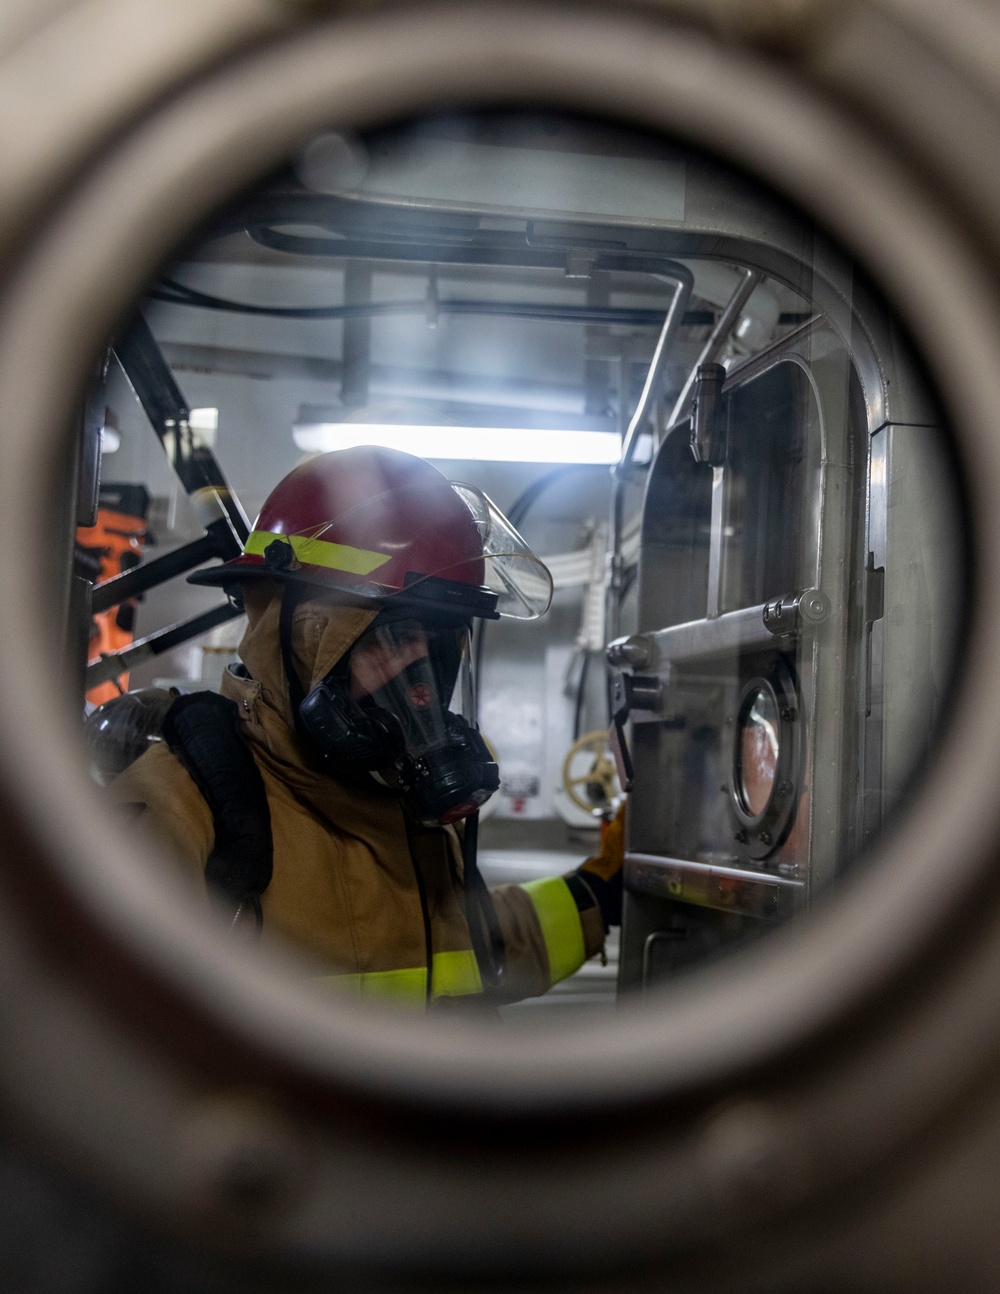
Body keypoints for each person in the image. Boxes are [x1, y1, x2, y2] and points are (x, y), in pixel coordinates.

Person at [107, 446, 623, 1007]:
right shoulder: (181, 817)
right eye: (396, 638)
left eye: (441, 647)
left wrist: (595, 892)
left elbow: (463, 947)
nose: (420, 689)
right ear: (298, 641)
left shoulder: (404, 808)